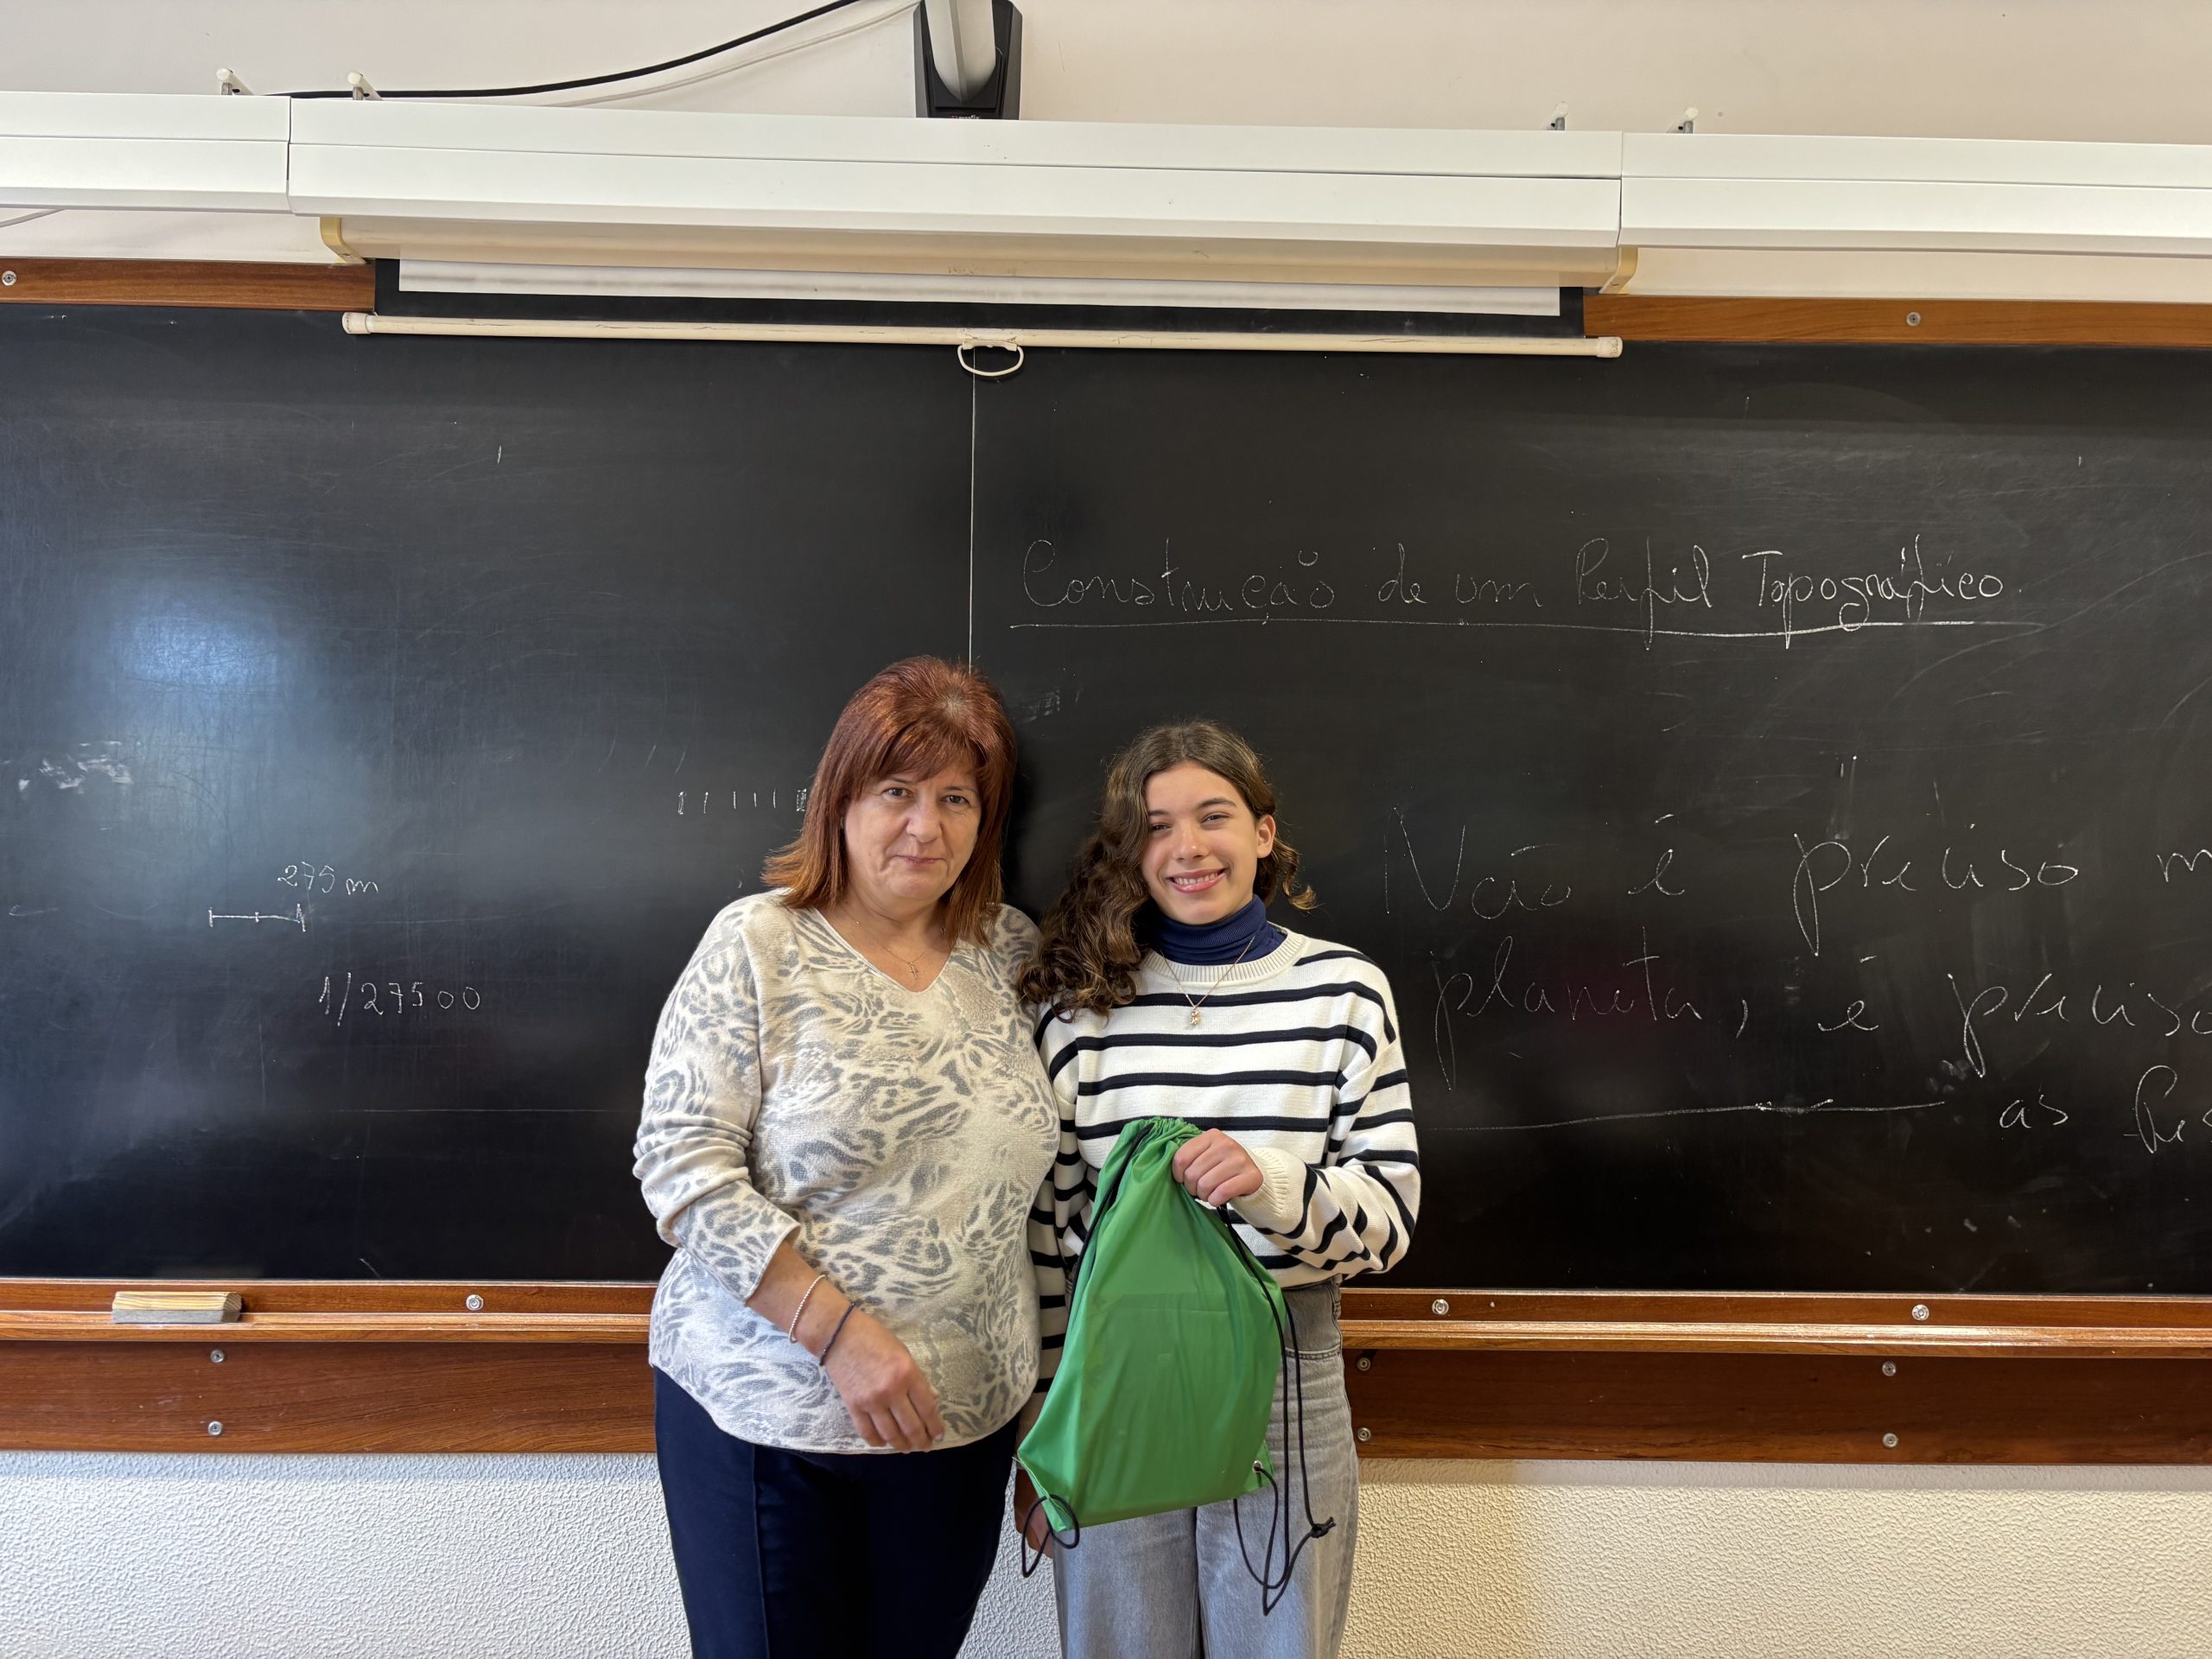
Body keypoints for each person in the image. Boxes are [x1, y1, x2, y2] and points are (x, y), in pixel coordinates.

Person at [634, 657, 1059, 1659]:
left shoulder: (1012, 954)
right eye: (896, 791)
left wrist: (1051, 1407)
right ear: (840, 800)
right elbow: (683, 1171)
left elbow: (1048, 1204)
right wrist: (838, 1336)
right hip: (768, 1419)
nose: (925, 826)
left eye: (956, 798)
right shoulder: (759, 944)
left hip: (961, 1426)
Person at [1018, 719, 1420, 1659]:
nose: (1187, 848)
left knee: (1278, 1642)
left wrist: (1272, 1184)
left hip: (1285, 1367)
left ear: (1264, 832)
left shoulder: (1344, 992)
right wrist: (1043, 1425)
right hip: (1114, 1373)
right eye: (1156, 826)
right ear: (1130, 851)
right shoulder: (1077, 1006)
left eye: (1214, 816)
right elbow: (1047, 1238)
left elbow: (1390, 1218)